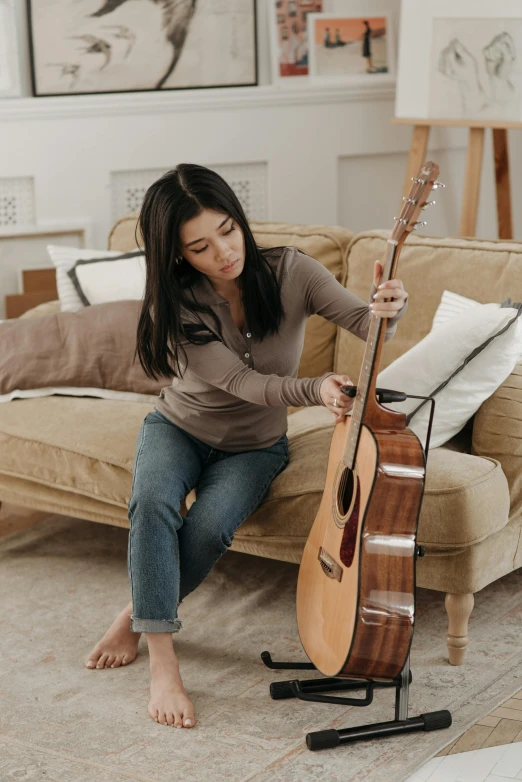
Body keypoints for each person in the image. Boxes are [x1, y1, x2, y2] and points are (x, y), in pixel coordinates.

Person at [84, 163, 409, 729]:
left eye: (229, 230)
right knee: (152, 505)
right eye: (200, 246)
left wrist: (390, 308)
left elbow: (365, 323)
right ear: (178, 255)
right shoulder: (178, 302)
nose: (224, 253)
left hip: (255, 447)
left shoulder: (295, 272)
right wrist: (317, 388)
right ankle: (163, 663)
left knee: (209, 529)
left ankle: (137, 612)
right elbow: (242, 383)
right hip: (179, 429)